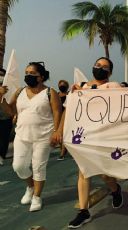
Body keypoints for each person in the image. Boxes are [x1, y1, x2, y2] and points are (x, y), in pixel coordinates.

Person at [64, 57, 124, 229]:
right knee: (84, 171)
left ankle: (115, 189)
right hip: (85, 135)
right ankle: (84, 211)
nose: (100, 68)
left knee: (104, 174)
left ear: (110, 72)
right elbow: (70, 109)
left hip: (105, 136)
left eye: (104, 67)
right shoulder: (81, 88)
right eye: (98, 65)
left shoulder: (114, 87)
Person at [0, 62, 62, 211]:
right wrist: (1, 96)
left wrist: (57, 131)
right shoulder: (20, 91)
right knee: (18, 166)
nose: (28, 75)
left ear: (41, 77)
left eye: (32, 73)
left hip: (43, 136)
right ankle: (31, 187)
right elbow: (10, 111)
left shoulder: (50, 92)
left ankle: (37, 197)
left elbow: (57, 112)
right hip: (21, 135)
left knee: (38, 167)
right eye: (26, 72)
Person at [0, 68, 14, 165]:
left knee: (4, 139)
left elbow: (10, 108)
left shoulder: (9, 88)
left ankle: (1, 156)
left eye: (2, 75)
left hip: (6, 118)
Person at [57, 80, 69, 161]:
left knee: (64, 135)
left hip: (67, 116)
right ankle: (62, 149)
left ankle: (62, 153)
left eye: (64, 85)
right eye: (60, 85)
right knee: (59, 135)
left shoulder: (69, 94)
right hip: (58, 116)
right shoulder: (56, 95)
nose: (62, 86)